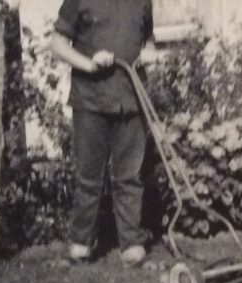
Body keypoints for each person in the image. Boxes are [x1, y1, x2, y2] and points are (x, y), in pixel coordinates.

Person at [50, 0, 153, 266]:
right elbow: (58, 43)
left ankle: (131, 244)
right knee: (89, 177)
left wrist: (150, 53)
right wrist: (89, 64)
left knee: (130, 176)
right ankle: (81, 244)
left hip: (131, 100)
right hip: (90, 101)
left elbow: (148, 42)